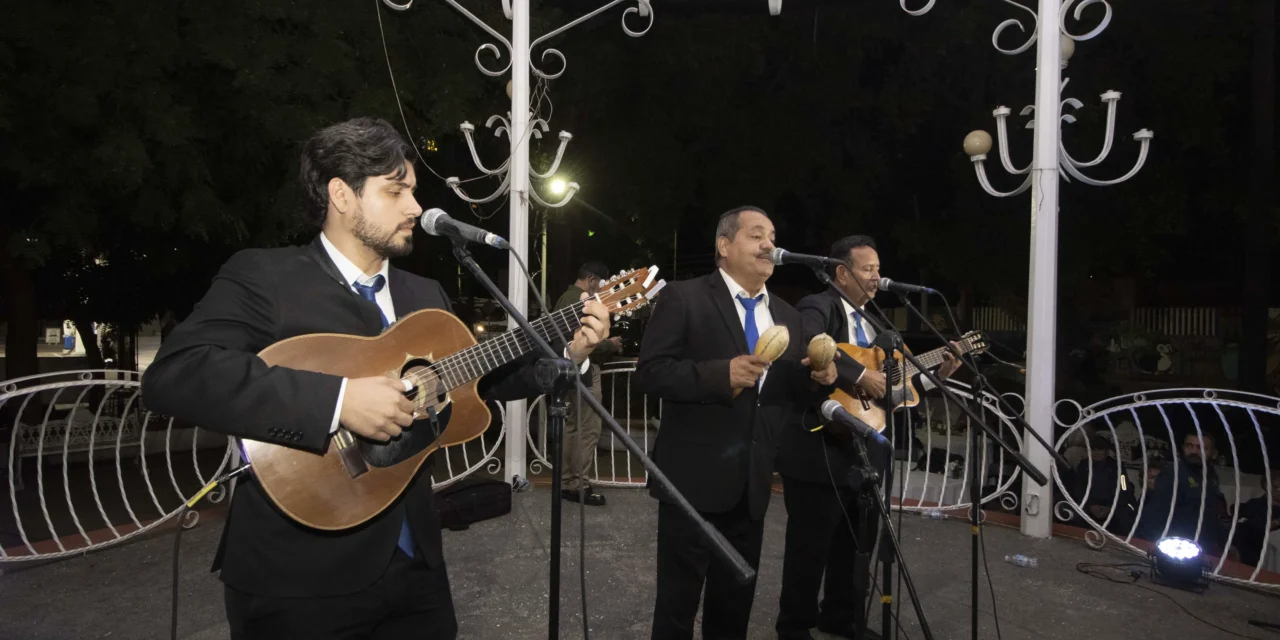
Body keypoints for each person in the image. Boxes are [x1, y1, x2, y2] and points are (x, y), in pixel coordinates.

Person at [140, 117, 610, 640]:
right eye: (396, 191)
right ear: (342, 195)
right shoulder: (265, 276)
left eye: (413, 190)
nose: (415, 207)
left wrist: (570, 351)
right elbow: (175, 374)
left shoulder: (425, 295)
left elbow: (477, 384)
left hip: (417, 573)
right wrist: (338, 399)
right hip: (298, 580)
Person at [635, 206, 837, 640]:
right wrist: (718, 375)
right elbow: (650, 372)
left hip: (752, 486)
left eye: (772, 236)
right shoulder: (684, 297)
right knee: (677, 608)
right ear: (724, 247)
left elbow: (792, 391)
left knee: (733, 610)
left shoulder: (787, 313)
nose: (769, 244)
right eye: (756, 235)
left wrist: (820, 381)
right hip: (690, 484)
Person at [774, 235, 960, 640]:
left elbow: (895, 387)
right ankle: (794, 627)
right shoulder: (817, 306)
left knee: (857, 544)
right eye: (868, 269)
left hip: (865, 454)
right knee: (809, 547)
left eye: (878, 269)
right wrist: (860, 375)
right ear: (842, 273)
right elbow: (810, 346)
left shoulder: (879, 325)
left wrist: (938, 374)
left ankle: (841, 617)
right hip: (818, 448)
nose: (877, 277)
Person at [553, 260, 624, 506]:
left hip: (567, 369)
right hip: (584, 369)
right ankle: (579, 484)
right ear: (592, 280)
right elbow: (585, 339)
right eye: (601, 284)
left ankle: (565, 481)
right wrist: (610, 345)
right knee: (588, 429)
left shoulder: (564, 297)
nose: (601, 290)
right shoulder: (581, 301)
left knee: (572, 427)